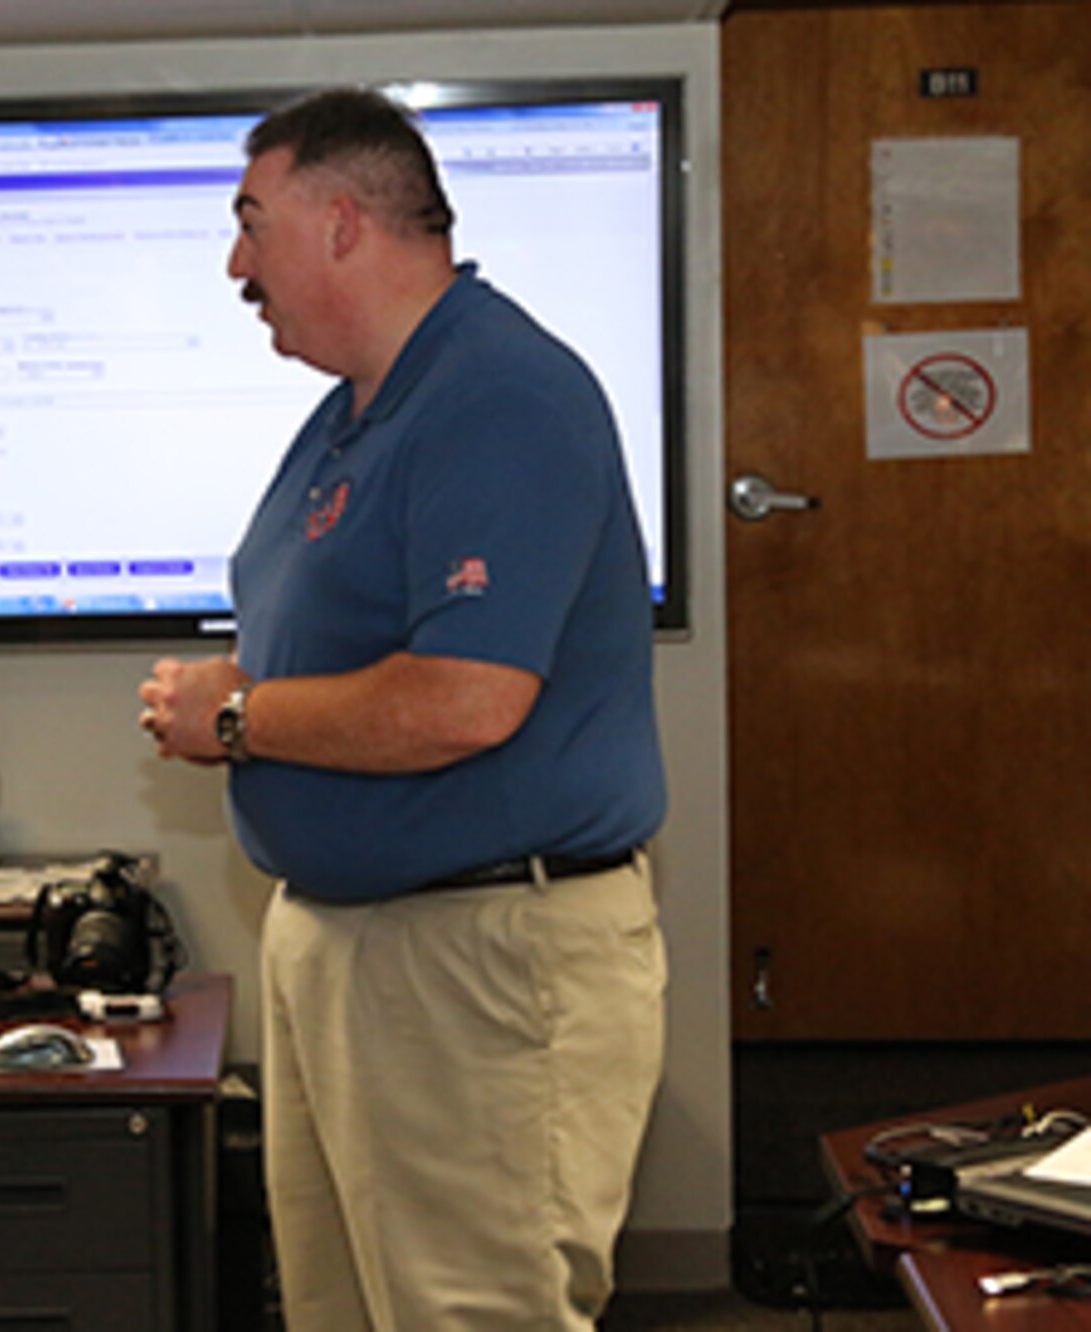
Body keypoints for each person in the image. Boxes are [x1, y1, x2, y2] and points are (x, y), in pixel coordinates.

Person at [138, 89, 668, 1331]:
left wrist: (233, 718)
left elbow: (465, 700)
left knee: (469, 1315)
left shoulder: (498, 394)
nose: (234, 263)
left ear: (337, 222)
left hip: (477, 959)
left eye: (248, 223)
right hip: (355, 949)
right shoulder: (359, 410)